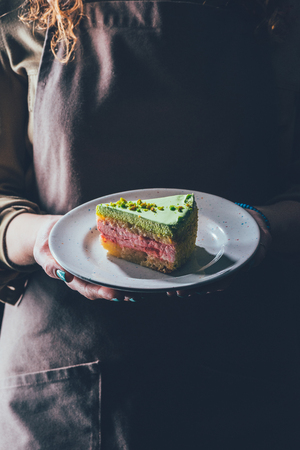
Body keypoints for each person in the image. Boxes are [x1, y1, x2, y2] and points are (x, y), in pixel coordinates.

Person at [0, 0, 299, 448]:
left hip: (240, 365)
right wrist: (43, 238)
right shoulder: (21, 19)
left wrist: (260, 228)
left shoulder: (281, 20)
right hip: (63, 380)